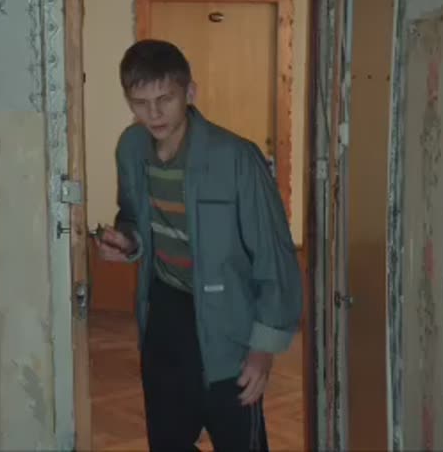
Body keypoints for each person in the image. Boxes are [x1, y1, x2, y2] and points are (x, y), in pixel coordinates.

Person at [93, 39, 303, 451]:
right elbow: (132, 216)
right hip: (165, 316)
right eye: (140, 103)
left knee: (238, 439)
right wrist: (127, 242)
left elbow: (274, 256)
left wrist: (263, 350)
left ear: (189, 92)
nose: (154, 114)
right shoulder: (131, 148)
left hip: (229, 323)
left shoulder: (236, 157)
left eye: (165, 100)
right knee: (168, 440)